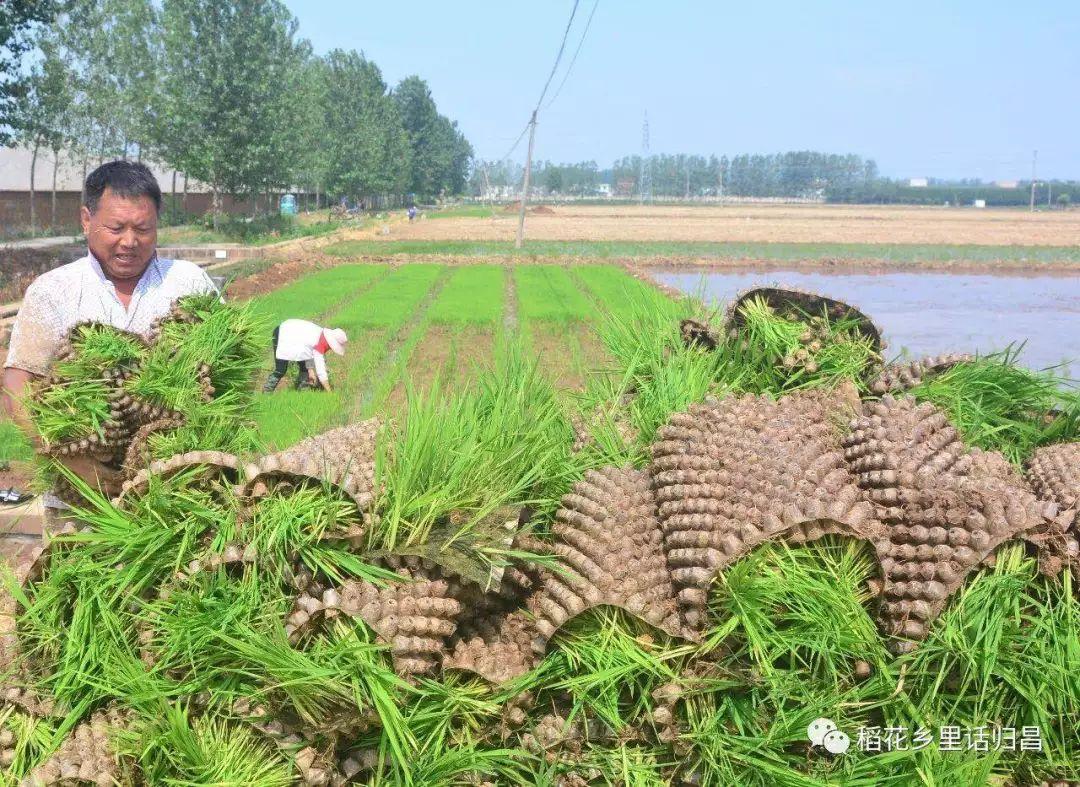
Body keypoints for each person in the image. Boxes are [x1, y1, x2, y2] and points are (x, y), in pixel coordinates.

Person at [1, 160, 218, 503]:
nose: (129, 241)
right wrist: (68, 459)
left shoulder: (189, 282)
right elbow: (17, 386)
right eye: (116, 228)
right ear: (87, 220)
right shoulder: (54, 291)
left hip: (181, 491)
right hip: (78, 499)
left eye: (143, 229)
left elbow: (232, 369)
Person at [263, 319, 347, 393]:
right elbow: (320, 370)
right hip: (282, 333)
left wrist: (310, 370)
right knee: (281, 369)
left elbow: (308, 353)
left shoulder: (320, 337)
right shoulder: (319, 340)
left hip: (295, 338)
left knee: (304, 368)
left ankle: (303, 391)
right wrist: (329, 392)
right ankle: (266, 392)